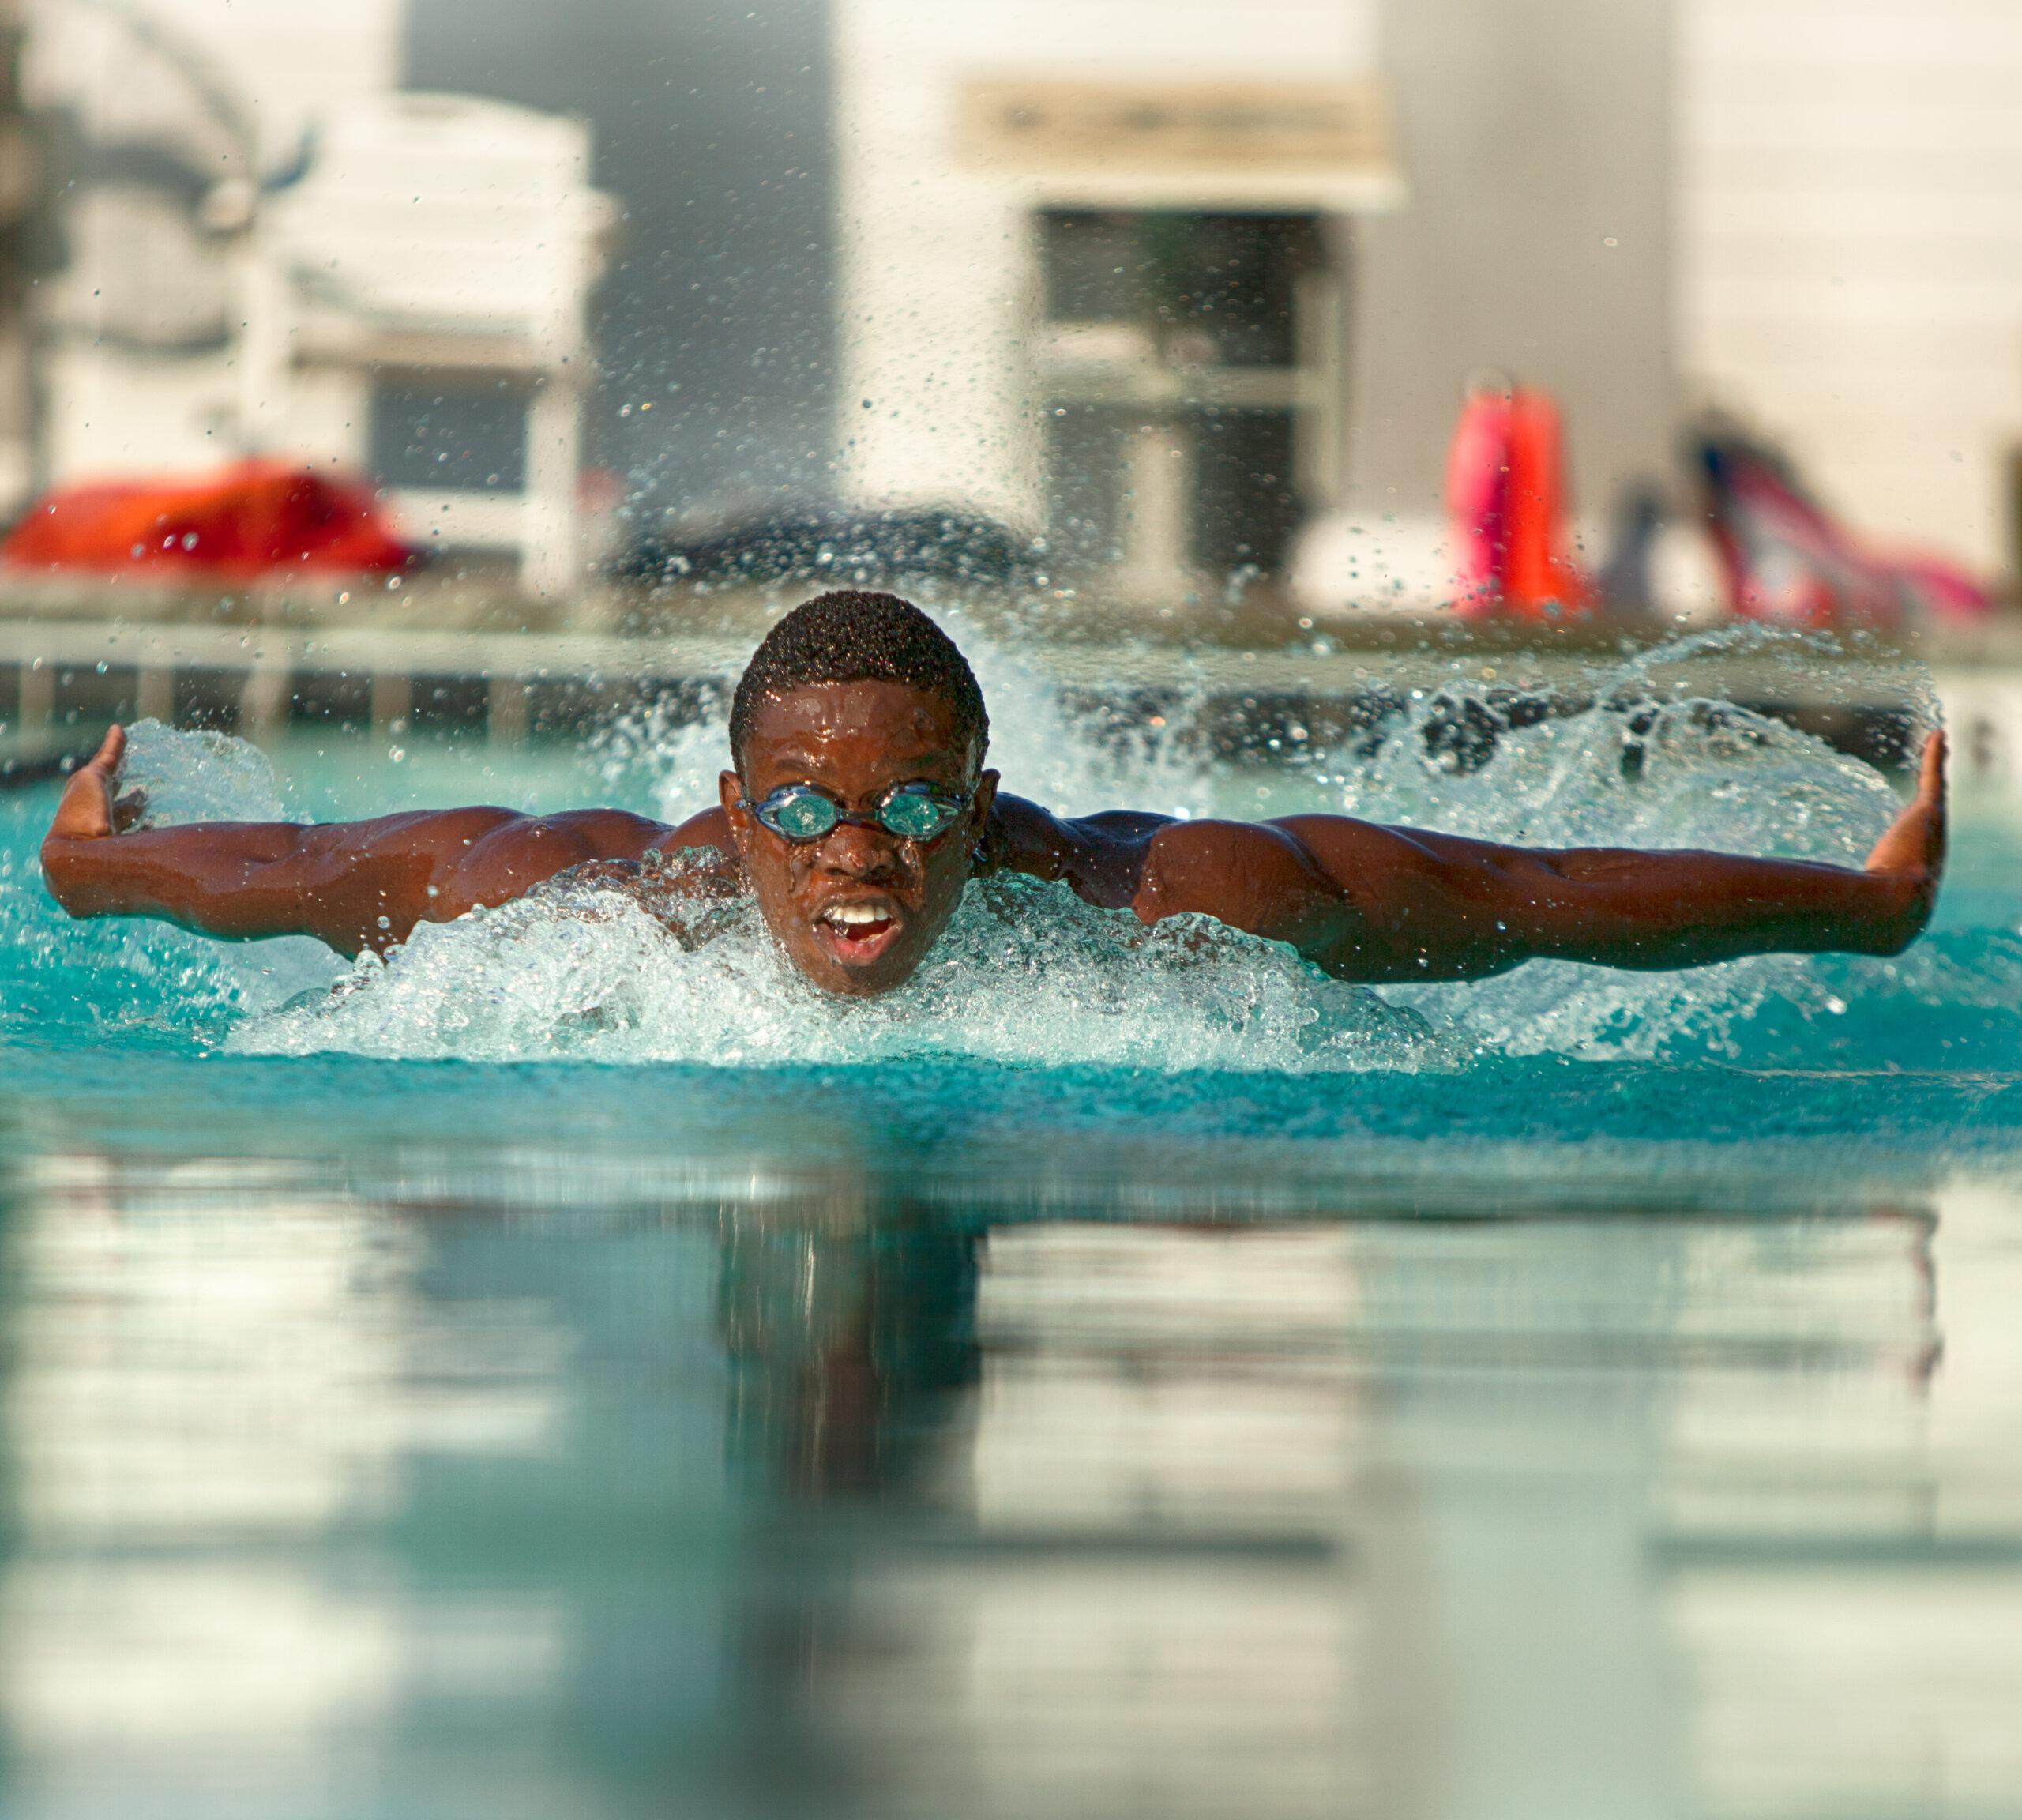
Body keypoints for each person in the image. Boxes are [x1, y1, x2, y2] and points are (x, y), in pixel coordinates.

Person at [41, 590, 1945, 1000]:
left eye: (906, 811)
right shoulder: (571, 906)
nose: (854, 858)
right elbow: (292, 870)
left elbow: (1517, 885)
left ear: (980, 797)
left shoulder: (1173, 894)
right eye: (799, 814)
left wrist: (1856, 905)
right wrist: (92, 872)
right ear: (728, 802)